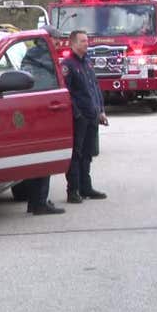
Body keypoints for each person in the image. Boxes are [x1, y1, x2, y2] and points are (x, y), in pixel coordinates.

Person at [14, 25, 66, 215]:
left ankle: (36, 201)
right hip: (41, 112)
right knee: (45, 159)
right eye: (56, 38)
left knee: (40, 159)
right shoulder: (44, 57)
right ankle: (39, 202)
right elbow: (47, 82)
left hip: (36, 110)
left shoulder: (34, 56)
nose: (59, 42)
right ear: (47, 39)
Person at [62, 30, 109, 203]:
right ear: (73, 44)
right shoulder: (68, 65)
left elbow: (94, 88)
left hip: (92, 115)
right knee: (76, 154)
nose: (86, 44)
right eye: (82, 41)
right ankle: (73, 190)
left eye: (87, 41)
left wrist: (101, 110)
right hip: (79, 117)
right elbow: (66, 93)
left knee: (88, 153)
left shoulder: (88, 62)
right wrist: (77, 113)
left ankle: (86, 187)